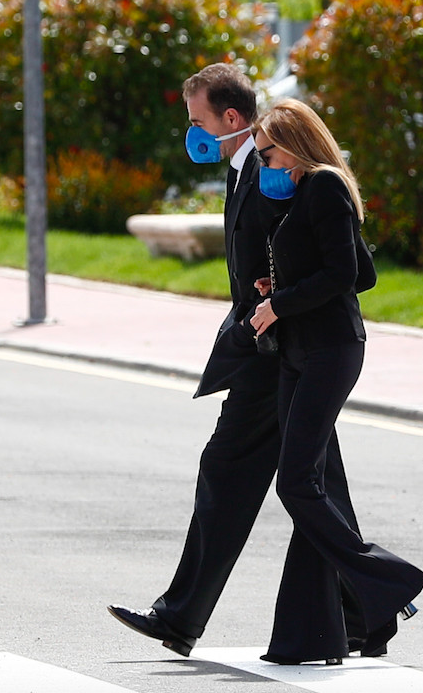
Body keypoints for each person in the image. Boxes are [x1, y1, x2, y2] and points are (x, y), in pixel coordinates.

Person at [107, 66, 365, 658]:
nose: (190, 132)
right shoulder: (243, 167)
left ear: (230, 119)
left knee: (227, 470)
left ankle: (180, 617)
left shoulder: (273, 168)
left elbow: (337, 258)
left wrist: (276, 301)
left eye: (197, 121)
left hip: (278, 353)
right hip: (282, 349)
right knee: (322, 485)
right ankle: (365, 613)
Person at [249, 98, 423, 665]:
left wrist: (281, 303)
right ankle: (342, 627)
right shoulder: (307, 193)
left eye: (269, 153)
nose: (264, 166)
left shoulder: (324, 185)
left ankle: (387, 581)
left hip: (330, 351)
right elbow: (363, 272)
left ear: (296, 145)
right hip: (303, 352)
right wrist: (280, 287)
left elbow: (345, 276)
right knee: (313, 487)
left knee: (297, 483)